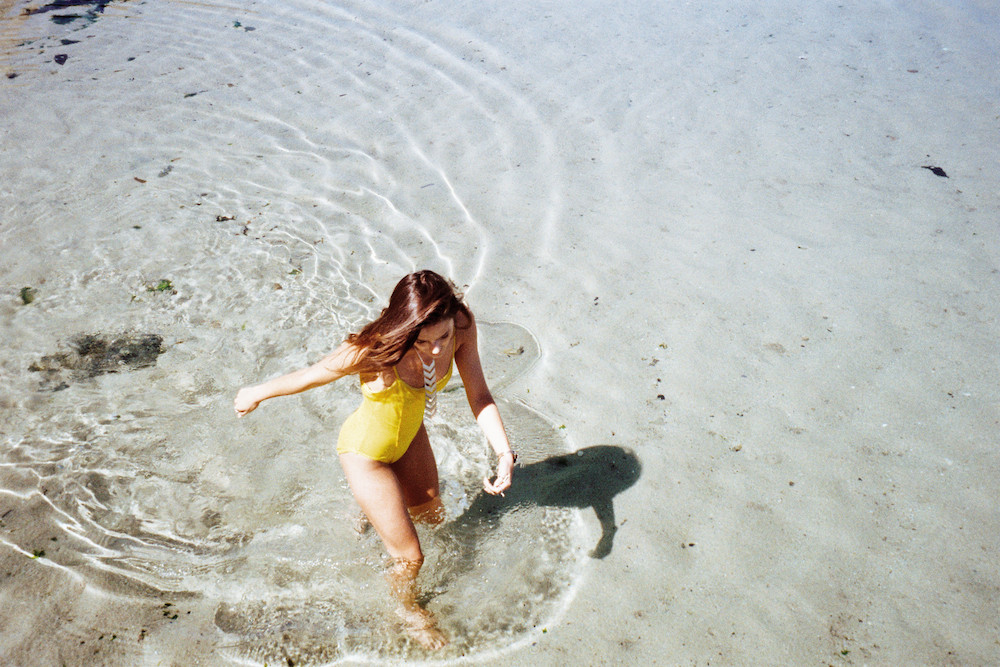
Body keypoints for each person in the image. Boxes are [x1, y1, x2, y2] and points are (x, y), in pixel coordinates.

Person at [233, 270, 517, 650]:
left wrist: (503, 453)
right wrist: (257, 392)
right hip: (366, 455)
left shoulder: (462, 324)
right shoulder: (374, 348)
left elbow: (479, 395)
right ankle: (407, 610)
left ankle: (368, 510)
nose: (436, 349)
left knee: (433, 516)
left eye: (443, 337)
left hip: (410, 437)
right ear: (405, 329)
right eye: (424, 341)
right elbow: (313, 375)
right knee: (411, 559)